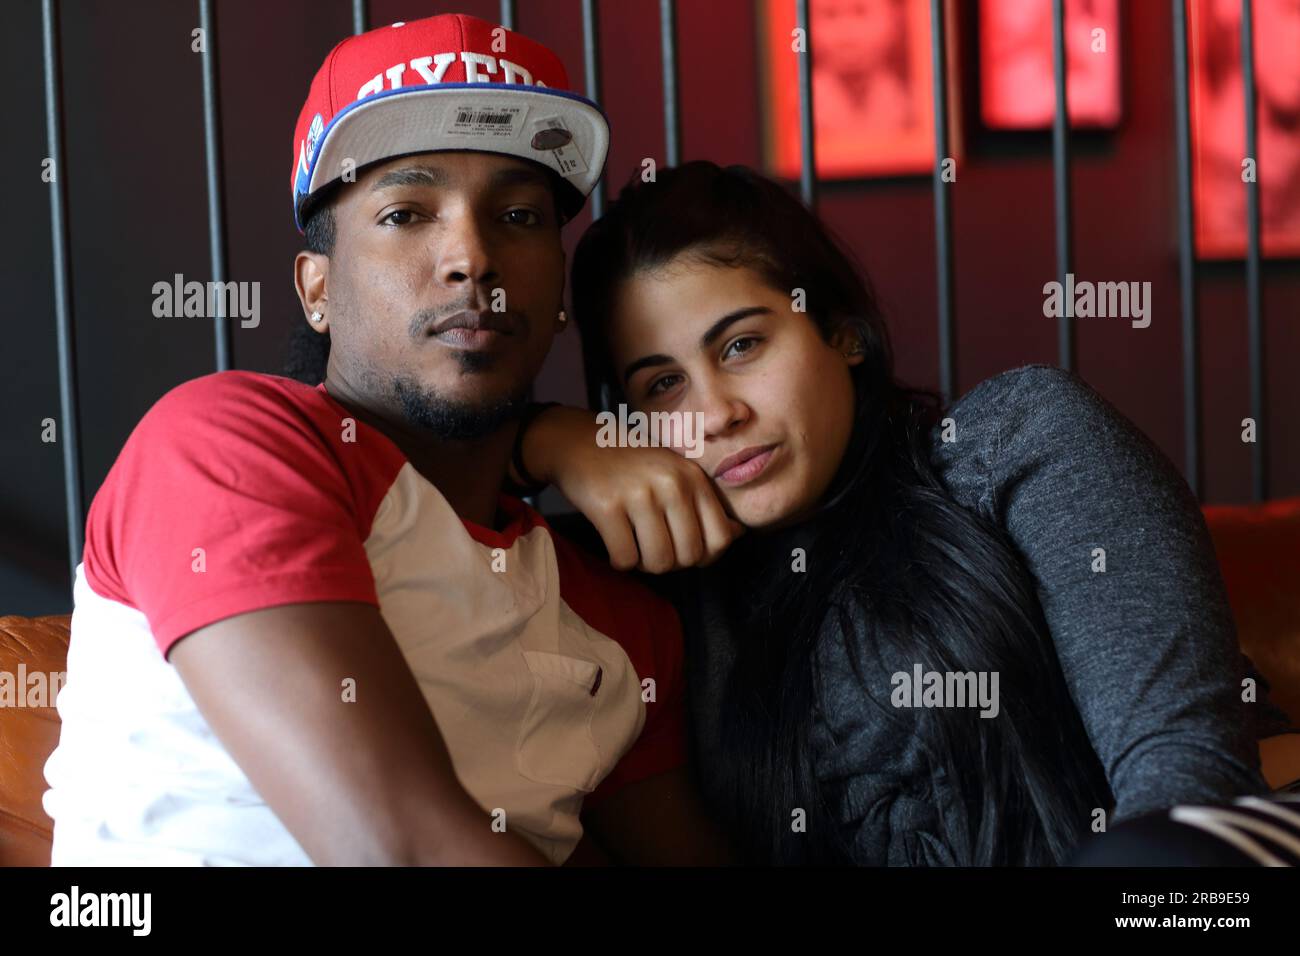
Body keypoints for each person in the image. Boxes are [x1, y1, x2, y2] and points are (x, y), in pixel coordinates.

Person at [42, 13, 733, 867]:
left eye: (518, 215)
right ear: (317, 288)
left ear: (559, 290)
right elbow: (398, 849)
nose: (471, 256)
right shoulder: (223, 445)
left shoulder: (619, 618)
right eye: (407, 212)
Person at [510, 161, 1300, 865]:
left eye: (742, 345)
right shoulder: (654, 590)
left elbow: (1186, 777)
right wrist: (542, 440)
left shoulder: (1014, 443)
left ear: (842, 334)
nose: (714, 414)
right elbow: (426, 515)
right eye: (662, 385)